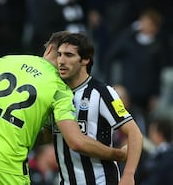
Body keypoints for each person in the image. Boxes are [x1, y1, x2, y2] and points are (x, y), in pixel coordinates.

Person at [0, 31, 127, 184]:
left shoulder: (7, 61)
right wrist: (116, 154)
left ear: (48, 48)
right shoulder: (60, 89)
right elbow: (76, 142)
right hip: (6, 167)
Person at [55, 32, 143, 184]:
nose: (61, 61)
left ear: (85, 59)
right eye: (59, 54)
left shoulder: (102, 92)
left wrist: (129, 174)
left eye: (69, 55)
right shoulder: (56, 94)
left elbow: (135, 133)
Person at [136, 117, 173, 185]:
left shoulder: (168, 156)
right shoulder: (154, 153)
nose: (150, 135)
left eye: (152, 131)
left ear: (160, 134)